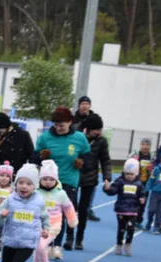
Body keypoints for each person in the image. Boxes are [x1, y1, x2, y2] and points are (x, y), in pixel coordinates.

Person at [34, 106, 89, 251]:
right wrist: (42, 156)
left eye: (62, 125)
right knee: (45, 212)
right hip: (47, 181)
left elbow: (87, 157)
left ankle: (57, 245)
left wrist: (81, 163)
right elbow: (34, 157)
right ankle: (46, 241)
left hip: (68, 180)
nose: (58, 128)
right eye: (56, 125)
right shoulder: (45, 137)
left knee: (61, 213)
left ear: (70, 122)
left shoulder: (79, 138)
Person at [31, 160, 77, 262]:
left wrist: (72, 220)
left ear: (56, 180)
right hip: (37, 226)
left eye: (51, 179)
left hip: (53, 226)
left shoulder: (61, 193)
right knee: (37, 252)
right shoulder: (36, 192)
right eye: (44, 179)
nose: (48, 182)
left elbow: (68, 207)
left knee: (40, 246)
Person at [73, 114, 111, 250]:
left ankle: (79, 239)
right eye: (96, 129)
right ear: (89, 129)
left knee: (84, 209)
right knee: (71, 207)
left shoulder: (101, 141)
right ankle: (69, 236)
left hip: (90, 177)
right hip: (74, 175)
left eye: (100, 129)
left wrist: (107, 178)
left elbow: (105, 160)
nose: (99, 132)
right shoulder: (76, 136)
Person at [101, 158, 145, 256]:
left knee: (131, 228)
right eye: (127, 173)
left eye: (132, 174)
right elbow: (113, 190)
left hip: (133, 210)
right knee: (121, 228)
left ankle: (128, 244)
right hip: (121, 210)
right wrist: (107, 188)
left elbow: (142, 193)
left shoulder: (139, 184)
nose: (129, 176)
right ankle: (119, 244)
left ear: (136, 174)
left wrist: (142, 198)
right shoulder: (120, 181)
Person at [71, 96, 102, 222]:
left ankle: (88, 208)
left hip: (91, 156)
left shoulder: (94, 118)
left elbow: (99, 134)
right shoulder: (74, 119)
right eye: (82, 103)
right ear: (79, 105)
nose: (84, 106)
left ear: (90, 105)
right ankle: (72, 207)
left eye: (87, 103)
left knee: (91, 184)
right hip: (77, 156)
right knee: (74, 185)